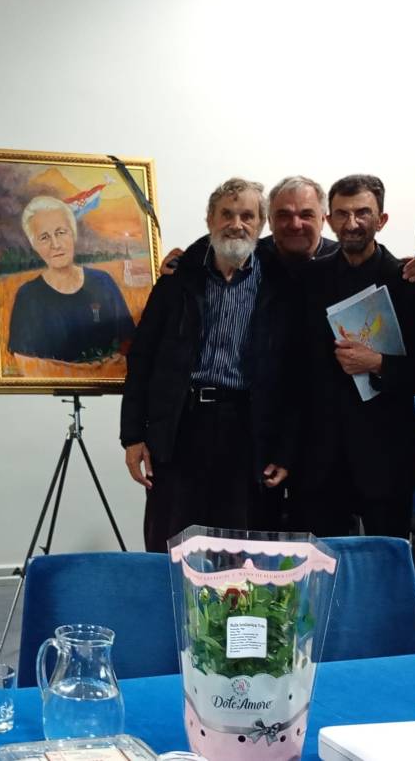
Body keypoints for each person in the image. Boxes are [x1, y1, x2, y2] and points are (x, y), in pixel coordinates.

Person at [120, 178, 298, 551]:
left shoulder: (280, 286)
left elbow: (292, 375)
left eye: (247, 216)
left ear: (261, 224)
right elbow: (142, 357)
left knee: (239, 548)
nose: (237, 224)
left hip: (246, 430)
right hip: (180, 427)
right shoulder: (177, 279)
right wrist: (132, 436)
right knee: (172, 542)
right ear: (209, 219)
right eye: (226, 214)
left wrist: (285, 448)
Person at [294, 175, 415, 538]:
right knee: (325, 563)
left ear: (381, 220)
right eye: (342, 214)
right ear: (328, 220)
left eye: (363, 212)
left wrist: (379, 364)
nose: (352, 223)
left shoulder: (407, 281)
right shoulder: (308, 278)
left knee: (386, 561)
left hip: (386, 458)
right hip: (321, 460)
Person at [8, 195, 135, 364]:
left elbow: (130, 345)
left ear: (73, 234)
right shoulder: (28, 296)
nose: (55, 244)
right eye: (44, 237)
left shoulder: (103, 283)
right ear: (34, 246)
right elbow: (26, 364)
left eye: (61, 233)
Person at [158, 175, 338, 275]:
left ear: (323, 220)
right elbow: (219, 243)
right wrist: (181, 265)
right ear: (270, 221)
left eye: (306, 215)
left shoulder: (343, 261)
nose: (295, 224)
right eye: (284, 215)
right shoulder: (253, 255)